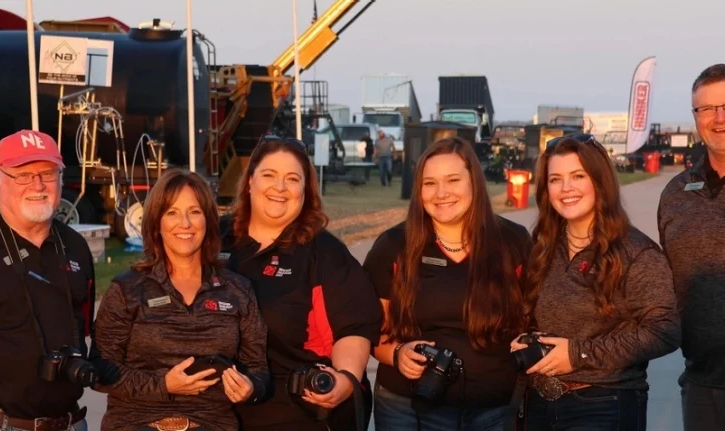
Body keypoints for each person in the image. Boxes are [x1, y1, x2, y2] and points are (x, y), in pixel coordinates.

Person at [513, 134, 680, 430]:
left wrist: (579, 354)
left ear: (600, 181)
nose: (566, 189)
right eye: (555, 179)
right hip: (539, 404)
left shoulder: (635, 252)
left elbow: (665, 330)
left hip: (603, 405)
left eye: (578, 176)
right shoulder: (544, 247)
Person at [364, 137, 533, 430]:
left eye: (453, 180)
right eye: (429, 183)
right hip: (408, 405)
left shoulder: (514, 242)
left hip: (495, 407)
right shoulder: (393, 246)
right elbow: (371, 329)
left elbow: (533, 319)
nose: (441, 193)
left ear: (474, 183)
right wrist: (396, 353)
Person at [221, 135, 382, 431]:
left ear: (305, 190)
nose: (279, 188)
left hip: (295, 411)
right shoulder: (217, 240)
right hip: (215, 413)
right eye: (269, 175)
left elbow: (355, 326)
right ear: (249, 182)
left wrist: (345, 379)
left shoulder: (324, 252)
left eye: (292, 179)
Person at [90, 169, 270, 431]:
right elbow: (99, 370)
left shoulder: (237, 289)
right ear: (156, 223)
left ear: (208, 220)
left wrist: (250, 388)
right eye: (172, 212)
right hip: (136, 424)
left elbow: (258, 369)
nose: (184, 223)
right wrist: (163, 386)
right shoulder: (127, 289)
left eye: (194, 212)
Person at [658, 64, 725, 430]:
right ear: (695, 117)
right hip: (699, 380)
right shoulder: (676, 193)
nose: (720, 118)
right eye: (707, 109)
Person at [0, 130, 95, 431]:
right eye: (23, 175)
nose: (38, 185)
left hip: (73, 423)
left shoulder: (76, 245)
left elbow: (85, 325)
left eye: (48, 173)